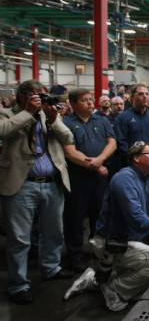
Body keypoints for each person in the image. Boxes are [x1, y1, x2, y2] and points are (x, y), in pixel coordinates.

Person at [65, 142, 149, 311]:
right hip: (111, 242)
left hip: (131, 239)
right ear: (136, 158)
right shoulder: (124, 178)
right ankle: (113, 289)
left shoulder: (148, 178)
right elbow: (135, 216)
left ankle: (95, 279)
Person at [0, 80, 75, 304]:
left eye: (43, 97)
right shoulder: (7, 113)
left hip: (52, 182)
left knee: (53, 232)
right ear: (23, 96)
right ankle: (19, 285)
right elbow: (3, 132)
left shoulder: (47, 116)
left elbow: (68, 138)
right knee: (19, 239)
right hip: (22, 184)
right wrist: (29, 112)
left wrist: (53, 118)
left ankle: (51, 268)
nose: (41, 101)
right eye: (36, 96)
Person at [63, 89, 117, 272]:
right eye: (84, 100)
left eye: (90, 99)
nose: (89, 103)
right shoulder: (67, 123)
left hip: (100, 177)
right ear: (73, 104)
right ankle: (75, 255)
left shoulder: (101, 120)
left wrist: (100, 160)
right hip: (78, 177)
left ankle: (98, 250)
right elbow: (70, 152)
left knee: (99, 214)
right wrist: (95, 165)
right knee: (75, 217)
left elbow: (112, 143)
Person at [115, 84, 149, 166]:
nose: (145, 97)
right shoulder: (123, 118)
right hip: (133, 165)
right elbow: (121, 143)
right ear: (132, 97)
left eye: (146, 94)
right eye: (141, 94)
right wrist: (134, 159)